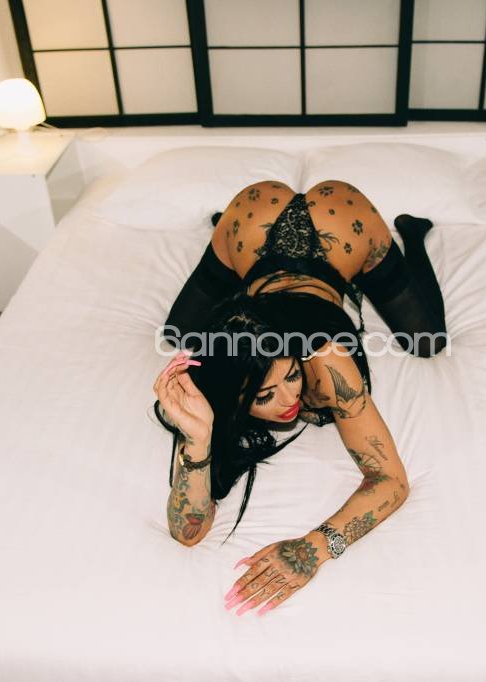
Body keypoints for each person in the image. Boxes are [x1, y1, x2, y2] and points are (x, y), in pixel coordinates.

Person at [151, 179, 446, 616]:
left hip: (342, 226)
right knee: (176, 333)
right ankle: (222, 231)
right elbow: (188, 533)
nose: (290, 398)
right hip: (248, 227)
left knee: (428, 338)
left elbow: (391, 481)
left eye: (291, 374)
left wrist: (314, 549)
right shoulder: (212, 379)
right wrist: (196, 439)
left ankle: (412, 234)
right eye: (265, 395)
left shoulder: (326, 364)